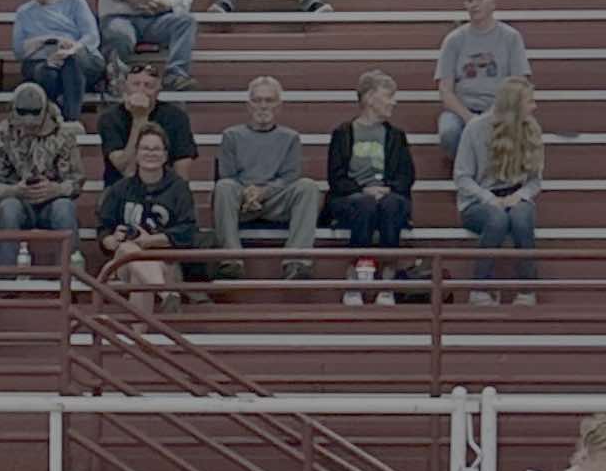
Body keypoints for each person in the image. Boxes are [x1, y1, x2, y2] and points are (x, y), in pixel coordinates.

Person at [210, 75, 323, 280]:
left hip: (275, 200)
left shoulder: (290, 138)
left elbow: (290, 176)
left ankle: (296, 261)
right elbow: (227, 174)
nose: (263, 106)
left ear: (279, 106)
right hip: (241, 201)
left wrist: (264, 192)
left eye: (269, 100)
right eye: (258, 100)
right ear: (248, 105)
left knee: (308, 187)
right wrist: (248, 193)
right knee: (224, 187)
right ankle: (231, 259)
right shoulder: (231, 136)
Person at [328, 68, 417, 303]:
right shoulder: (343, 133)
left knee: (391, 205)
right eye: (388, 96)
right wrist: (362, 189)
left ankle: (387, 277)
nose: (393, 102)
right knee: (364, 203)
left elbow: (406, 176)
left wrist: (386, 188)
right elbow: (336, 178)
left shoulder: (396, 136)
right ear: (369, 98)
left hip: (388, 195)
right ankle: (356, 274)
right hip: (352, 197)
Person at [454, 76, 543, 299]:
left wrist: (520, 195)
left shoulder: (532, 129)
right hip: (478, 201)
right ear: (514, 105)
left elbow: (535, 181)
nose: (535, 107)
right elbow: (462, 178)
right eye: (530, 102)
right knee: (498, 219)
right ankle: (479, 289)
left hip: (515, 195)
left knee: (521, 219)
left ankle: (527, 291)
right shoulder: (475, 128)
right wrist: (489, 198)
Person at [96, 122, 198, 312]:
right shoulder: (120, 189)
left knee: (139, 271)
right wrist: (114, 239)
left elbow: (188, 232)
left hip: (166, 262)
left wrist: (149, 241)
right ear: (136, 154)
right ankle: (166, 294)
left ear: (165, 155)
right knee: (129, 250)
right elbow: (104, 233)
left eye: (156, 149)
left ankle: (140, 338)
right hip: (122, 262)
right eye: (145, 148)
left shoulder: (178, 188)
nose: (150, 153)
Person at [0, 82, 84, 269]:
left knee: (64, 208)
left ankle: (69, 277)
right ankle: (6, 277)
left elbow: (77, 181)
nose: (28, 122)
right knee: (9, 209)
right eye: (22, 115)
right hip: (18, 201)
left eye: (34, 116)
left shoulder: (63, 135)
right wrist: (15, 190)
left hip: (53, 202)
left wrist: (56, 189)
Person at [433, 0, 530, 172]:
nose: (474, 4)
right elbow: (445, 90)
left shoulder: (511, 38)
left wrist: (496, 113)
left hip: (501, 109)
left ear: (493, 1)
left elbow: (520, 84)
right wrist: (469, 118)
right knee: (448, 132)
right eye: (469, 0)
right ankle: (467, 172)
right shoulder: (454, 41)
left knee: (519, 129)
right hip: (462, 111)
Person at [9, 0, 103, 121]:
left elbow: (92, 36)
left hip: (81, 58)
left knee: (70, 60)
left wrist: (73, 47)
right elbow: (18, 51)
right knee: (47, 72)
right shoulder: (24, 13)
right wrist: (47, 42)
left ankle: (70, 121)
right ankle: (52, 122)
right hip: (43, 62)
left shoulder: (74, 1)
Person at [94, 55, 198, 186]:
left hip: (165, 188)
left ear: (158, 91)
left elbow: (182, 170)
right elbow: (127, 171)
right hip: (120, 189)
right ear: (125, 88)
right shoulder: (110, 118)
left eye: (148, 86)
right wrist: (139, 119)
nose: (141, 90)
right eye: (136, 84)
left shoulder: (176, 117)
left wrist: (176, 197)